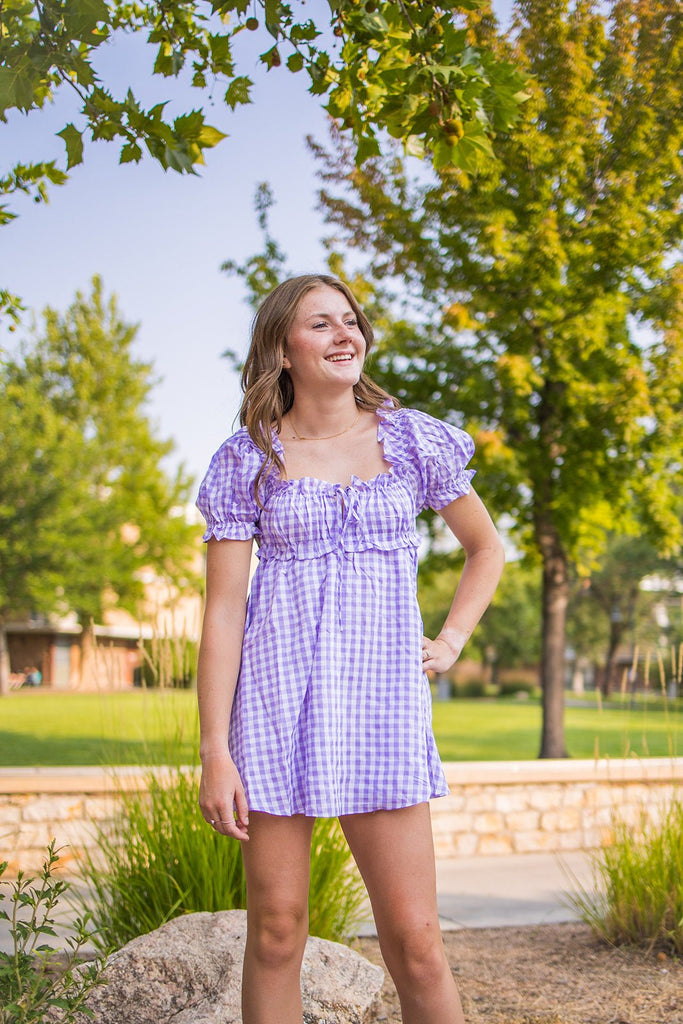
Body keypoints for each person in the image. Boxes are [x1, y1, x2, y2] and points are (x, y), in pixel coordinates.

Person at [196, 274, 505, 1024]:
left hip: (380, 712)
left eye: (350, 322)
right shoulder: (248, 460)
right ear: (280, 349)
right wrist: (213, 748)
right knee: (274, 934)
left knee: (417, 941)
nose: (344, 334)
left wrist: (451, 640)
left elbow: (485, 547)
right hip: (272, 712)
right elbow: (224, 609)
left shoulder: (410, 438)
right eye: (320, 325)